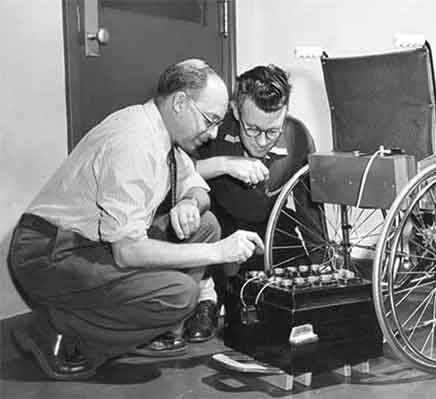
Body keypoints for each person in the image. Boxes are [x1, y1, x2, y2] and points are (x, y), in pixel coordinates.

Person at [7, 59, 264, 381]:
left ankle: (133, 328)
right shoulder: (134, 142)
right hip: (49, 253)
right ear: (181, 102)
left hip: (91, 245)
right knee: (179, 295)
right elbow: (128, 252)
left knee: (206, 223)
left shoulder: (161, 132)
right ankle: (56, 331)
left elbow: (197, 186)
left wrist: (187, 201)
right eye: (210, 120)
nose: (212, 133)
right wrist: (220, 253)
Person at [190, 64, 316, 307]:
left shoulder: (298, 136)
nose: (261, 141)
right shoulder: (213, 129)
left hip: (268, 226)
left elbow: (309, 210)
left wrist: (323, 262)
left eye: (272, 132)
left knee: (299, 295)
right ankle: (207, 301)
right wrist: (223, 164)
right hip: (221, 222)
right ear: (236, 111)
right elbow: (176, 175)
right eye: (253, 129)